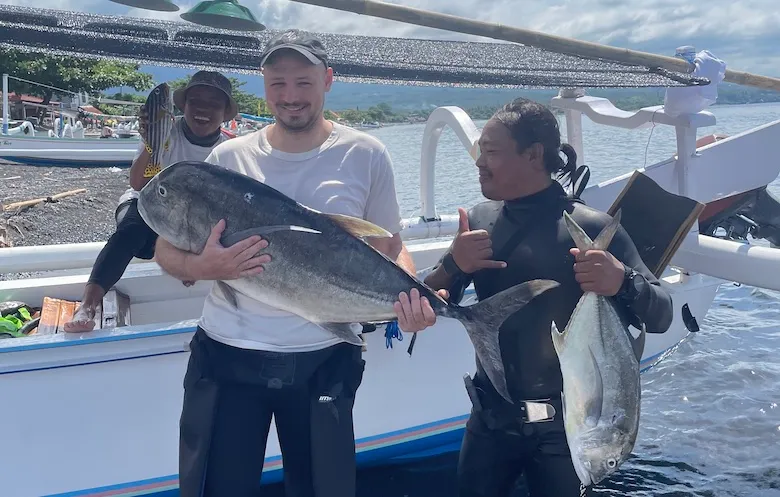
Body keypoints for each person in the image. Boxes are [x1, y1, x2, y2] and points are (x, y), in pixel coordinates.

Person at [151, 30, 442, 497]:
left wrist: (410, 296)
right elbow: (164, 249)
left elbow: (390, 247)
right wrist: (207, 266)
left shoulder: (365, 154)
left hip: (323, 360)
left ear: (327, 80)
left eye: (303, 83)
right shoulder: (229, 157)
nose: (290, 97)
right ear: (263, 84)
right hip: (228, 355)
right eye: (277, 83)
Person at [421, 98, 674, 497]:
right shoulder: (481, 220)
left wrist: (621, 281)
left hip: (567, 430)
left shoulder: (591, 227)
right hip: (489, 423)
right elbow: (433, 299)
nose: (479, 163)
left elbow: (662, 314)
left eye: (491, 152)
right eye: (480, 151)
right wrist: (455, 263)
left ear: (534, 155)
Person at [64, 71, 237, 332]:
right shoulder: (163, 130)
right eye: (196, 101)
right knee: (130, 230)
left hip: (190, 222)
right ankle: (88, 304)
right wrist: (149, 142)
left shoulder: (231, 149)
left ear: (225, 113)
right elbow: (137, 183)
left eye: (214, 103)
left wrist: (192, 256)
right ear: (183, 105)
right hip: (146, 203)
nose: (203, 109)